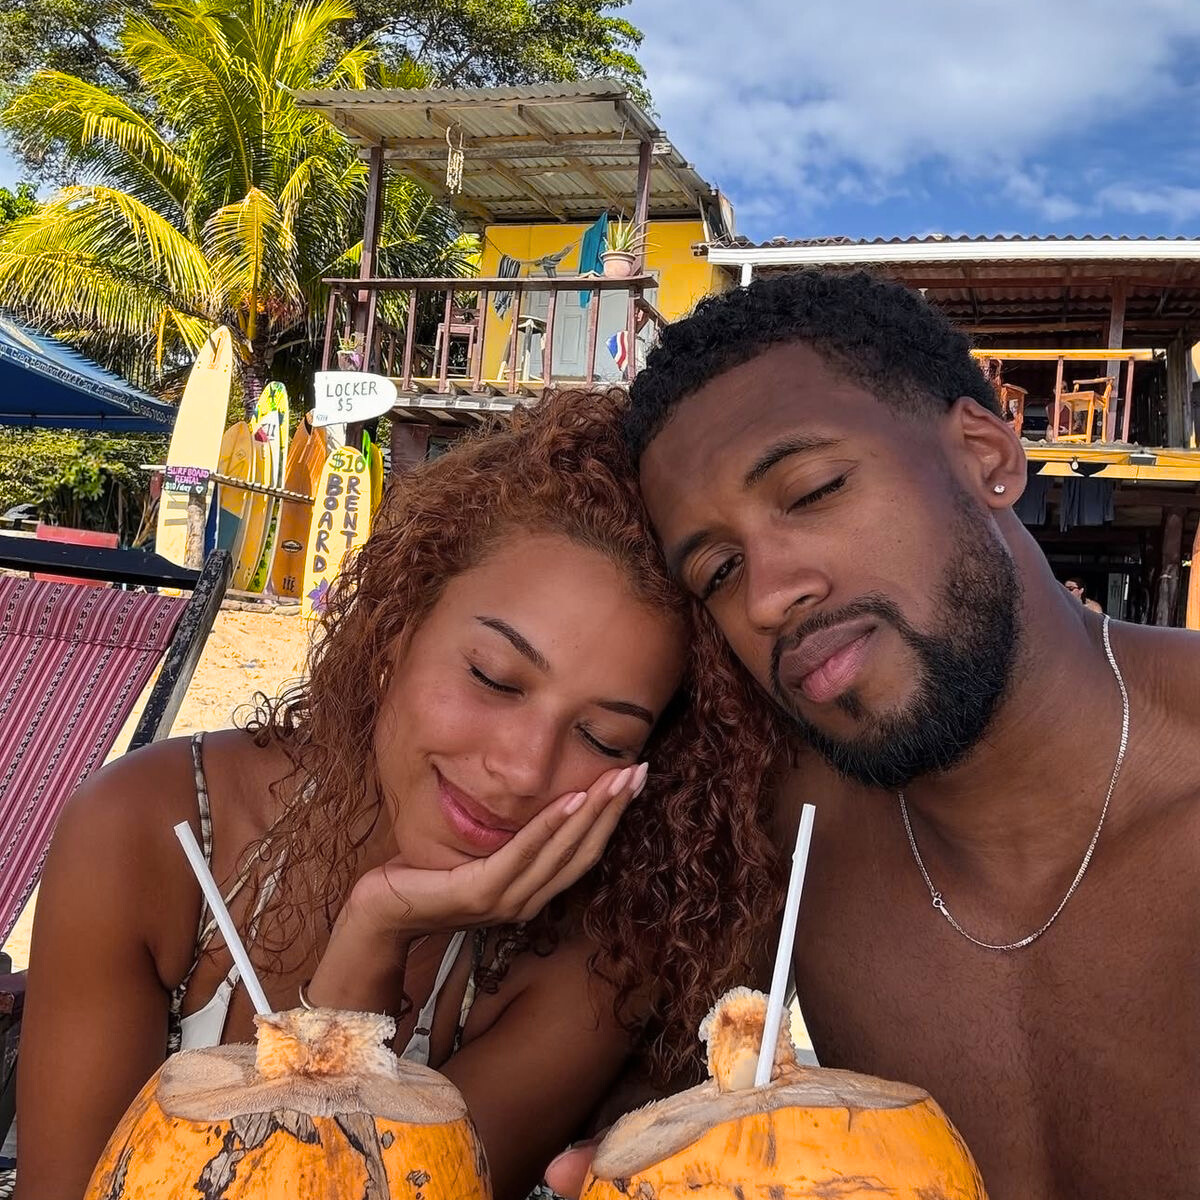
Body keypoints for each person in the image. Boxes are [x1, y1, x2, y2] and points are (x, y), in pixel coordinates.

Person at [18, 388, 783, 1200]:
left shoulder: (594, 964)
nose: (523, 770)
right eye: (493, 678)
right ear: (394, 634)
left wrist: (374, 936)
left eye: (603, 739)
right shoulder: (151, 831)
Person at [550, 271, 1199, 1200]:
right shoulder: (784, 841)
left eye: (812, 490)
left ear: (985, 456)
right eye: (720, 569)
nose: (769, 596)